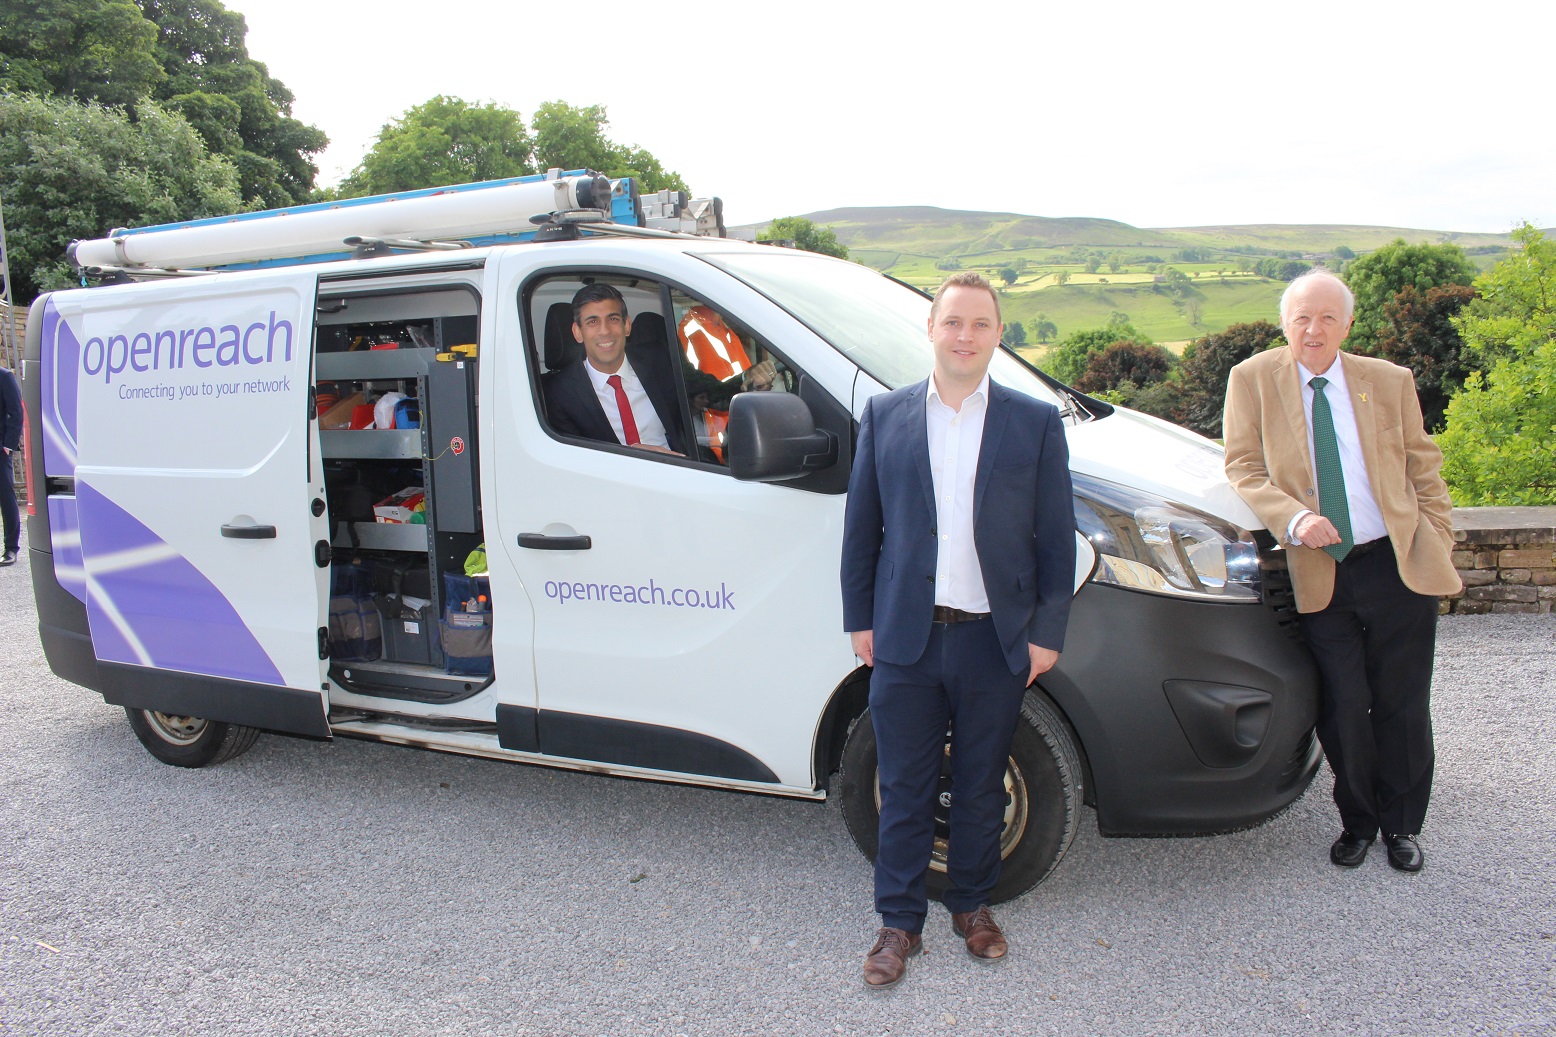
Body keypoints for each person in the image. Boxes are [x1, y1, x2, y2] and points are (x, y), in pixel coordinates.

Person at [840, 272, 1075, 989]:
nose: (965, 336)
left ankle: (973, 905)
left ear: (998, 334)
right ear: (932, 330)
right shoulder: (886, 415)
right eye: (953, 323)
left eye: (980, 324)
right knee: (906, 785)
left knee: (978, 784)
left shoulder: (1034, 422)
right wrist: (860, 619)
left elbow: (1054, 541)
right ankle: (897, 923)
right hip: (906, 640)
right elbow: (862, 530)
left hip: (994, 641)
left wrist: (1045, 631)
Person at [1222, 268, 1460, 874]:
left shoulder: (1388, 381)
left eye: (1328, 316)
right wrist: (1295, 518)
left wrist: (1438, 540)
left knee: (1403, 704)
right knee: (1345, 706)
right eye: (1302, 316)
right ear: (1285, 322)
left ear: (1348, 324)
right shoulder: (1252, 379)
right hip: (1320, 567)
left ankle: (1403, 826)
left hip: (1395, 564)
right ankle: (1359, 820)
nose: (1314, 328)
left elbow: (1423, 467)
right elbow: (1244, 468)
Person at [543, 284, 686, 454]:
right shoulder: (559, 393)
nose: (604, 331)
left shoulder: (660, 359)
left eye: (613, 319)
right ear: (578, 332)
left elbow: (705, 390)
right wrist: (631, 453)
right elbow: (572, 460)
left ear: (626, 325)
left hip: (678, 469)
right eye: (592, 322)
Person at [0, 365, 21, 567]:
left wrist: (8, 445)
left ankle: (11, 549)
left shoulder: (4, 376)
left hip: (0, 451)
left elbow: (16, 412)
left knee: (6, 498)